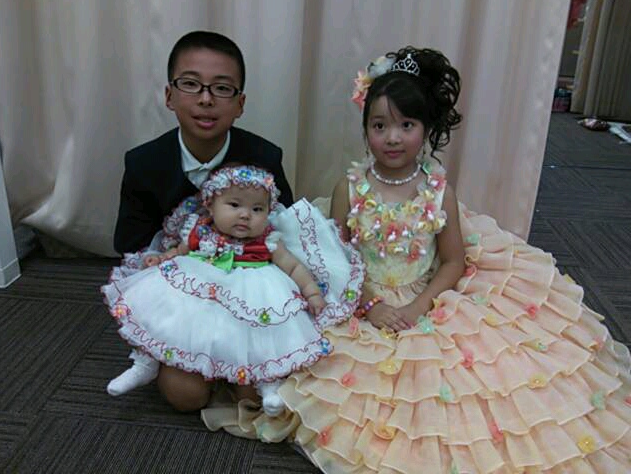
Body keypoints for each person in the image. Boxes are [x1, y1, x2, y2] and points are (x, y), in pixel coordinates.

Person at [202, 47, 631, 473]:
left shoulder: (439, 191)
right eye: (379, 126)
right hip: (361, 295)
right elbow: (336, 259)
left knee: (462, 385)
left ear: (426, 129)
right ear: (365, 129)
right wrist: (370, 304)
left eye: (406, 125)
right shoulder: (347, 189)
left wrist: (417, 307)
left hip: (426, 297)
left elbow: (453, 262)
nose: (392, 137)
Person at [103, 164, 364, 416]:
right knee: (168, 322)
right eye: (234, 205)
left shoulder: (268, 240)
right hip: (201, 295)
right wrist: (162, 258)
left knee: (265, 340)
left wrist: (312, 293)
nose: (245, 215)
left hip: (253, 298)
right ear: (211, 206)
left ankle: (268, 386)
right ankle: (145, 364)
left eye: (257, 209)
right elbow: (179, 251)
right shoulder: (201, 231)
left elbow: (294, 267)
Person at [113, 30, 293, 256]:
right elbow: (131, 244)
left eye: (222, 88)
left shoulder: (265, 158)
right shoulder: (142, 163)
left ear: (240, 104)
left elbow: (286, 232)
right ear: (169, 96)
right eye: (190, 84)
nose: (206, 99)